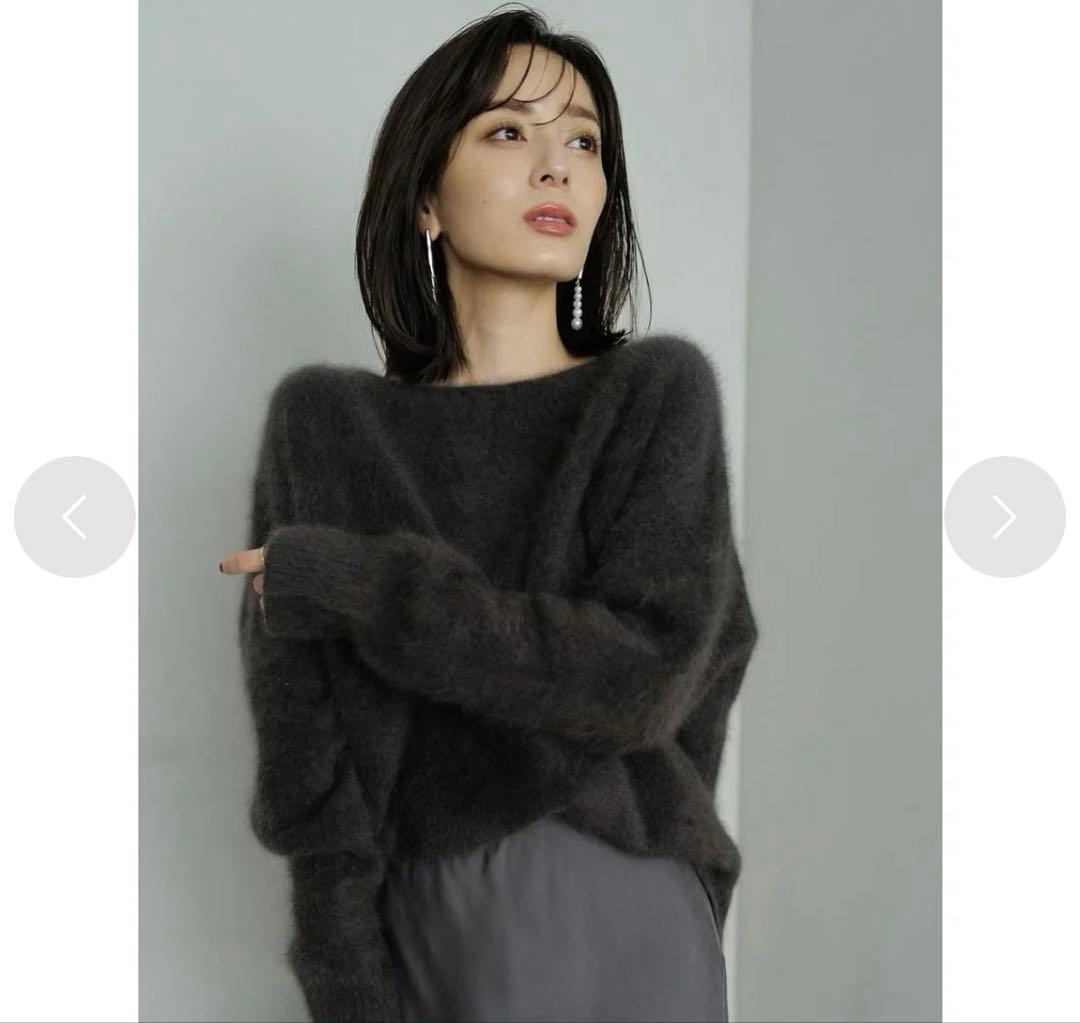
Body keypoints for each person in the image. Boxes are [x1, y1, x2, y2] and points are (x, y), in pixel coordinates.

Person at [219, 5, 758, 1021]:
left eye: (585, 142)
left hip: (627, 901)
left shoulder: (654, 395)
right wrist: (344, 979)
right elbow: (306, 759)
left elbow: (648, 681)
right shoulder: (326, 423)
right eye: (509, 130)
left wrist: (366, 587)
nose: (558, 167)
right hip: (432, 915)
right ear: (426, 194)